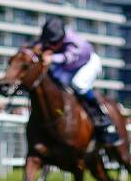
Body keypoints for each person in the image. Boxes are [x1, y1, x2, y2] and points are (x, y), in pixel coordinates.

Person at [38, 16, 120, 145]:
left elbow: (69, 57)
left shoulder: (75, 42)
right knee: (53, 79)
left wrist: (52, 58)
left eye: (54, 43)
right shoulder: (52, 35)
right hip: (69, 67)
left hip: (88, 62)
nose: (52, 46)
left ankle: (102, 117)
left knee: (79, 84)